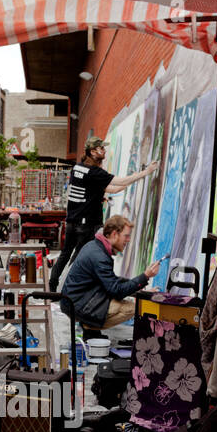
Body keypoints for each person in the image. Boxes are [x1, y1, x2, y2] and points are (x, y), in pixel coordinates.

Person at [48, 136, 158, 294]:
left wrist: (131, 181)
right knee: (80, 257)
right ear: (93, 152)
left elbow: (111, 189)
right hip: (86, 224)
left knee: (65, 254)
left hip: (72, 221)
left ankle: (52, 288)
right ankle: (69, 288)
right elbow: (118, 182)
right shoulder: (94, 172)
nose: (104, 151)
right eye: (101, 148)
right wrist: (145, 173)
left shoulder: (78, 168)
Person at [60, 215, 161, 330]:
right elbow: (117, 291)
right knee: (133, 307)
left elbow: (113, 281)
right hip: (78, 305)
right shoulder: (100, 256)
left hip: (76, 300)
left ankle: (89, 326)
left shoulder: (95, 246)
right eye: (126, 236)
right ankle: (89, 326)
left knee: (122, 299)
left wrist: (142, 292)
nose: (128, 240)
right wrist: (146, 276)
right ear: (114, 234)